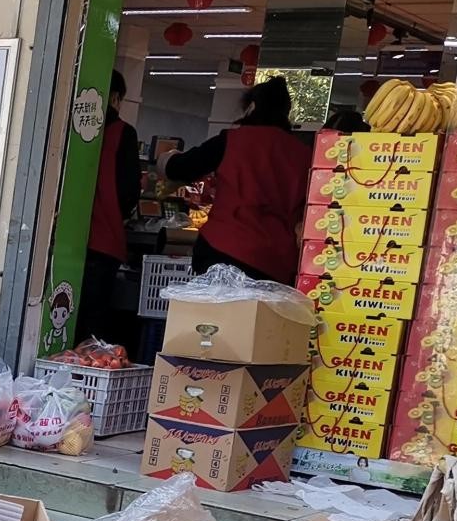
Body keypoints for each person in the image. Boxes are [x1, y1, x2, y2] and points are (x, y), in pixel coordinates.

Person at [160, 75, 313, 285]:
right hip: (275, 261)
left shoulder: (232, 140)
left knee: (214, 316)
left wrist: (167, 157)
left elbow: (180, 169)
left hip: (223, 248)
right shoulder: (305, 155)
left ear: (251, 107)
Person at [77, 69, 143, 350]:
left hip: (67, 241)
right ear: (115, 97)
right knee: (95, 318)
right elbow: (129, 189)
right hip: (104, 239)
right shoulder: (123, 133)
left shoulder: (72, 129)